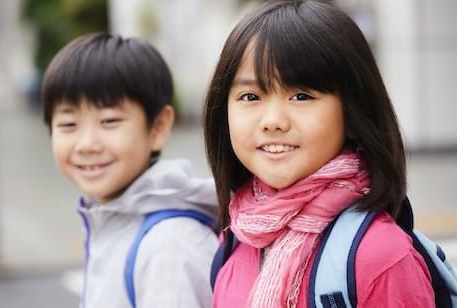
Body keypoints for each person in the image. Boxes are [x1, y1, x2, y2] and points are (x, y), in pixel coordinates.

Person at [203, 1, 435, 307]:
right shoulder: (236, 237)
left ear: (353, 114)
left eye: (301, 96)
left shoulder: (380, 255)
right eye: (250, 96)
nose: (273, 120)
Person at [42, 33, 218, 308]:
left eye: (109, 121)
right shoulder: (112, 220)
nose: (87, 144)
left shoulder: (168, 245)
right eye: (68, 124)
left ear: (158, 126)